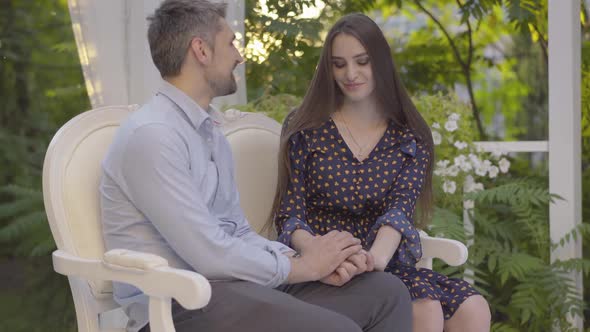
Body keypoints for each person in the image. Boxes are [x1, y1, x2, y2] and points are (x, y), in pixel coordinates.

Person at [100, 1, 413, 332]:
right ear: (201, 50)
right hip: (179, 305)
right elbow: (209, 255)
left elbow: (238, 233)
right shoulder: (152, 136)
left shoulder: (209, 133)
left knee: (386, 292)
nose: (240, 56)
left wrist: (312, 261)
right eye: (231, 43)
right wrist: (304, 267)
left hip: (236, 289)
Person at [271, 13, 492, 332]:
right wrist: (319, 254)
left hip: (382, 260)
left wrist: (373, 261)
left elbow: (398, 212)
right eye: (339, 64)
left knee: (474, 309)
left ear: (381, 61)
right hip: (323, 267)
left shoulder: (410, 136)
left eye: (362, 61)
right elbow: (290, 215)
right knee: (426, 311)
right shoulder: (305, 128)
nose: (350, 74)